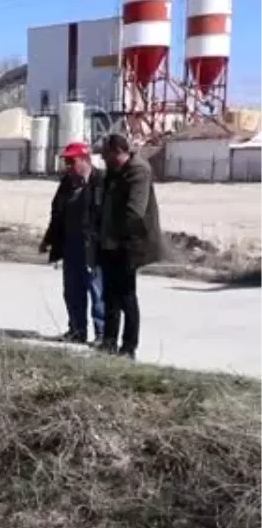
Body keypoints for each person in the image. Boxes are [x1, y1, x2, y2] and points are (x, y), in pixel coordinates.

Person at [97, 134, 163, 360]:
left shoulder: (138, 171)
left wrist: (116, 237)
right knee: (110, 297)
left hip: (129, 244)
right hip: (109, 243)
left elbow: (135, 211)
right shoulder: (114, 172)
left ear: (117, 151)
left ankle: (128, 347)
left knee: (126, 296)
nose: (103, 159)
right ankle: (108, 342)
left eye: (105, 154)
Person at [39, 142, 105, 344]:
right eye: (66, 162)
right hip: (71, 247)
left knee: (98, 291)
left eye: (71, 161)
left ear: (85, 160)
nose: (67, 166)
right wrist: (48, 240)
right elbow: (57, 215)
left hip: (94, 247)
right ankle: (77, 331)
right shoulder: (67, 183)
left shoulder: (101, 181)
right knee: (72, 292)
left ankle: (102, 334)